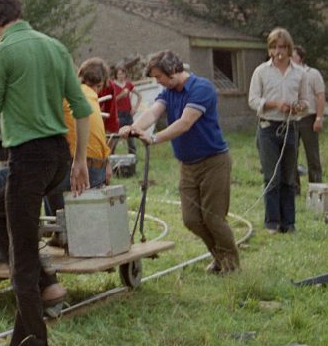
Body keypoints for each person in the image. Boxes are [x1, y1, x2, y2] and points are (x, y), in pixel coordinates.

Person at [0, 0, 91, 346]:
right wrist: (81, 161)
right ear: (19, 9)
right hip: (58, 156)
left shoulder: (1, 51)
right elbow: (82, 106)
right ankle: (40, 292)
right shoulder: (55, 46)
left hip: (28, 158)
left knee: (20, 260)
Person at [119, 50, 240, 274]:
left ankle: (230, 265)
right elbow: (153, 113)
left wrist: (154, 138)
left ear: (174, 71)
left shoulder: (201, 88)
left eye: (159, 77)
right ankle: (219, 256)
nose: (158, 82)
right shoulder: (168, 92)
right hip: (188, 164)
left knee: (213, 218)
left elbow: (185, 122)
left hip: (213, 161)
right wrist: (135, 127)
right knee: (191, 219)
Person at [248, 28, 307, 234]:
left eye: (282, 47)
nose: (278, 51)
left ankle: (289, 223)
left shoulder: (300, 73)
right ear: (270, 49)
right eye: (274, 47)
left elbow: (306, 101)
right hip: (268, 127)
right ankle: (272, 222)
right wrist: (274, 104)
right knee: (272, 176)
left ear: (289, 48)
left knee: (288, 177)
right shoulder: (261, 71)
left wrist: (299, 107)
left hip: (291, 126)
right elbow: (253, 100)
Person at [292, 44, 325, 187]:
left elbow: (320, 96)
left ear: (300, 57)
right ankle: (293, 187)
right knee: (291, 154)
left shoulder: (313, 74)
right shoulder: (288, 75)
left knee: (312, 155)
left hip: (308, 118)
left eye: (293, 55)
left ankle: (316, 186)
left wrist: (319, 118)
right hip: (292, 118)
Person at [78, 58, 113, 190]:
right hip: (91, 165)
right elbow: (98, 134)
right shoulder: (91, 98)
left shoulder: (71, 92)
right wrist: (106, 163)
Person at [111, 64, 141, 154]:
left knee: (131, 137)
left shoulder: (128, 85)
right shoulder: (112, 84)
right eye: (119, 74)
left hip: (128, 113)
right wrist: (121, 95)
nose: (121, 76)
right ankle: (110, 157)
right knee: (115, 137)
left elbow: (139, 95)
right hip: (118, 114)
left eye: (122, 74)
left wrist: (135, 108)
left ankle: (132, 158)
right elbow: (112, 101)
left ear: (125, 74)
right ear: (116, 75)